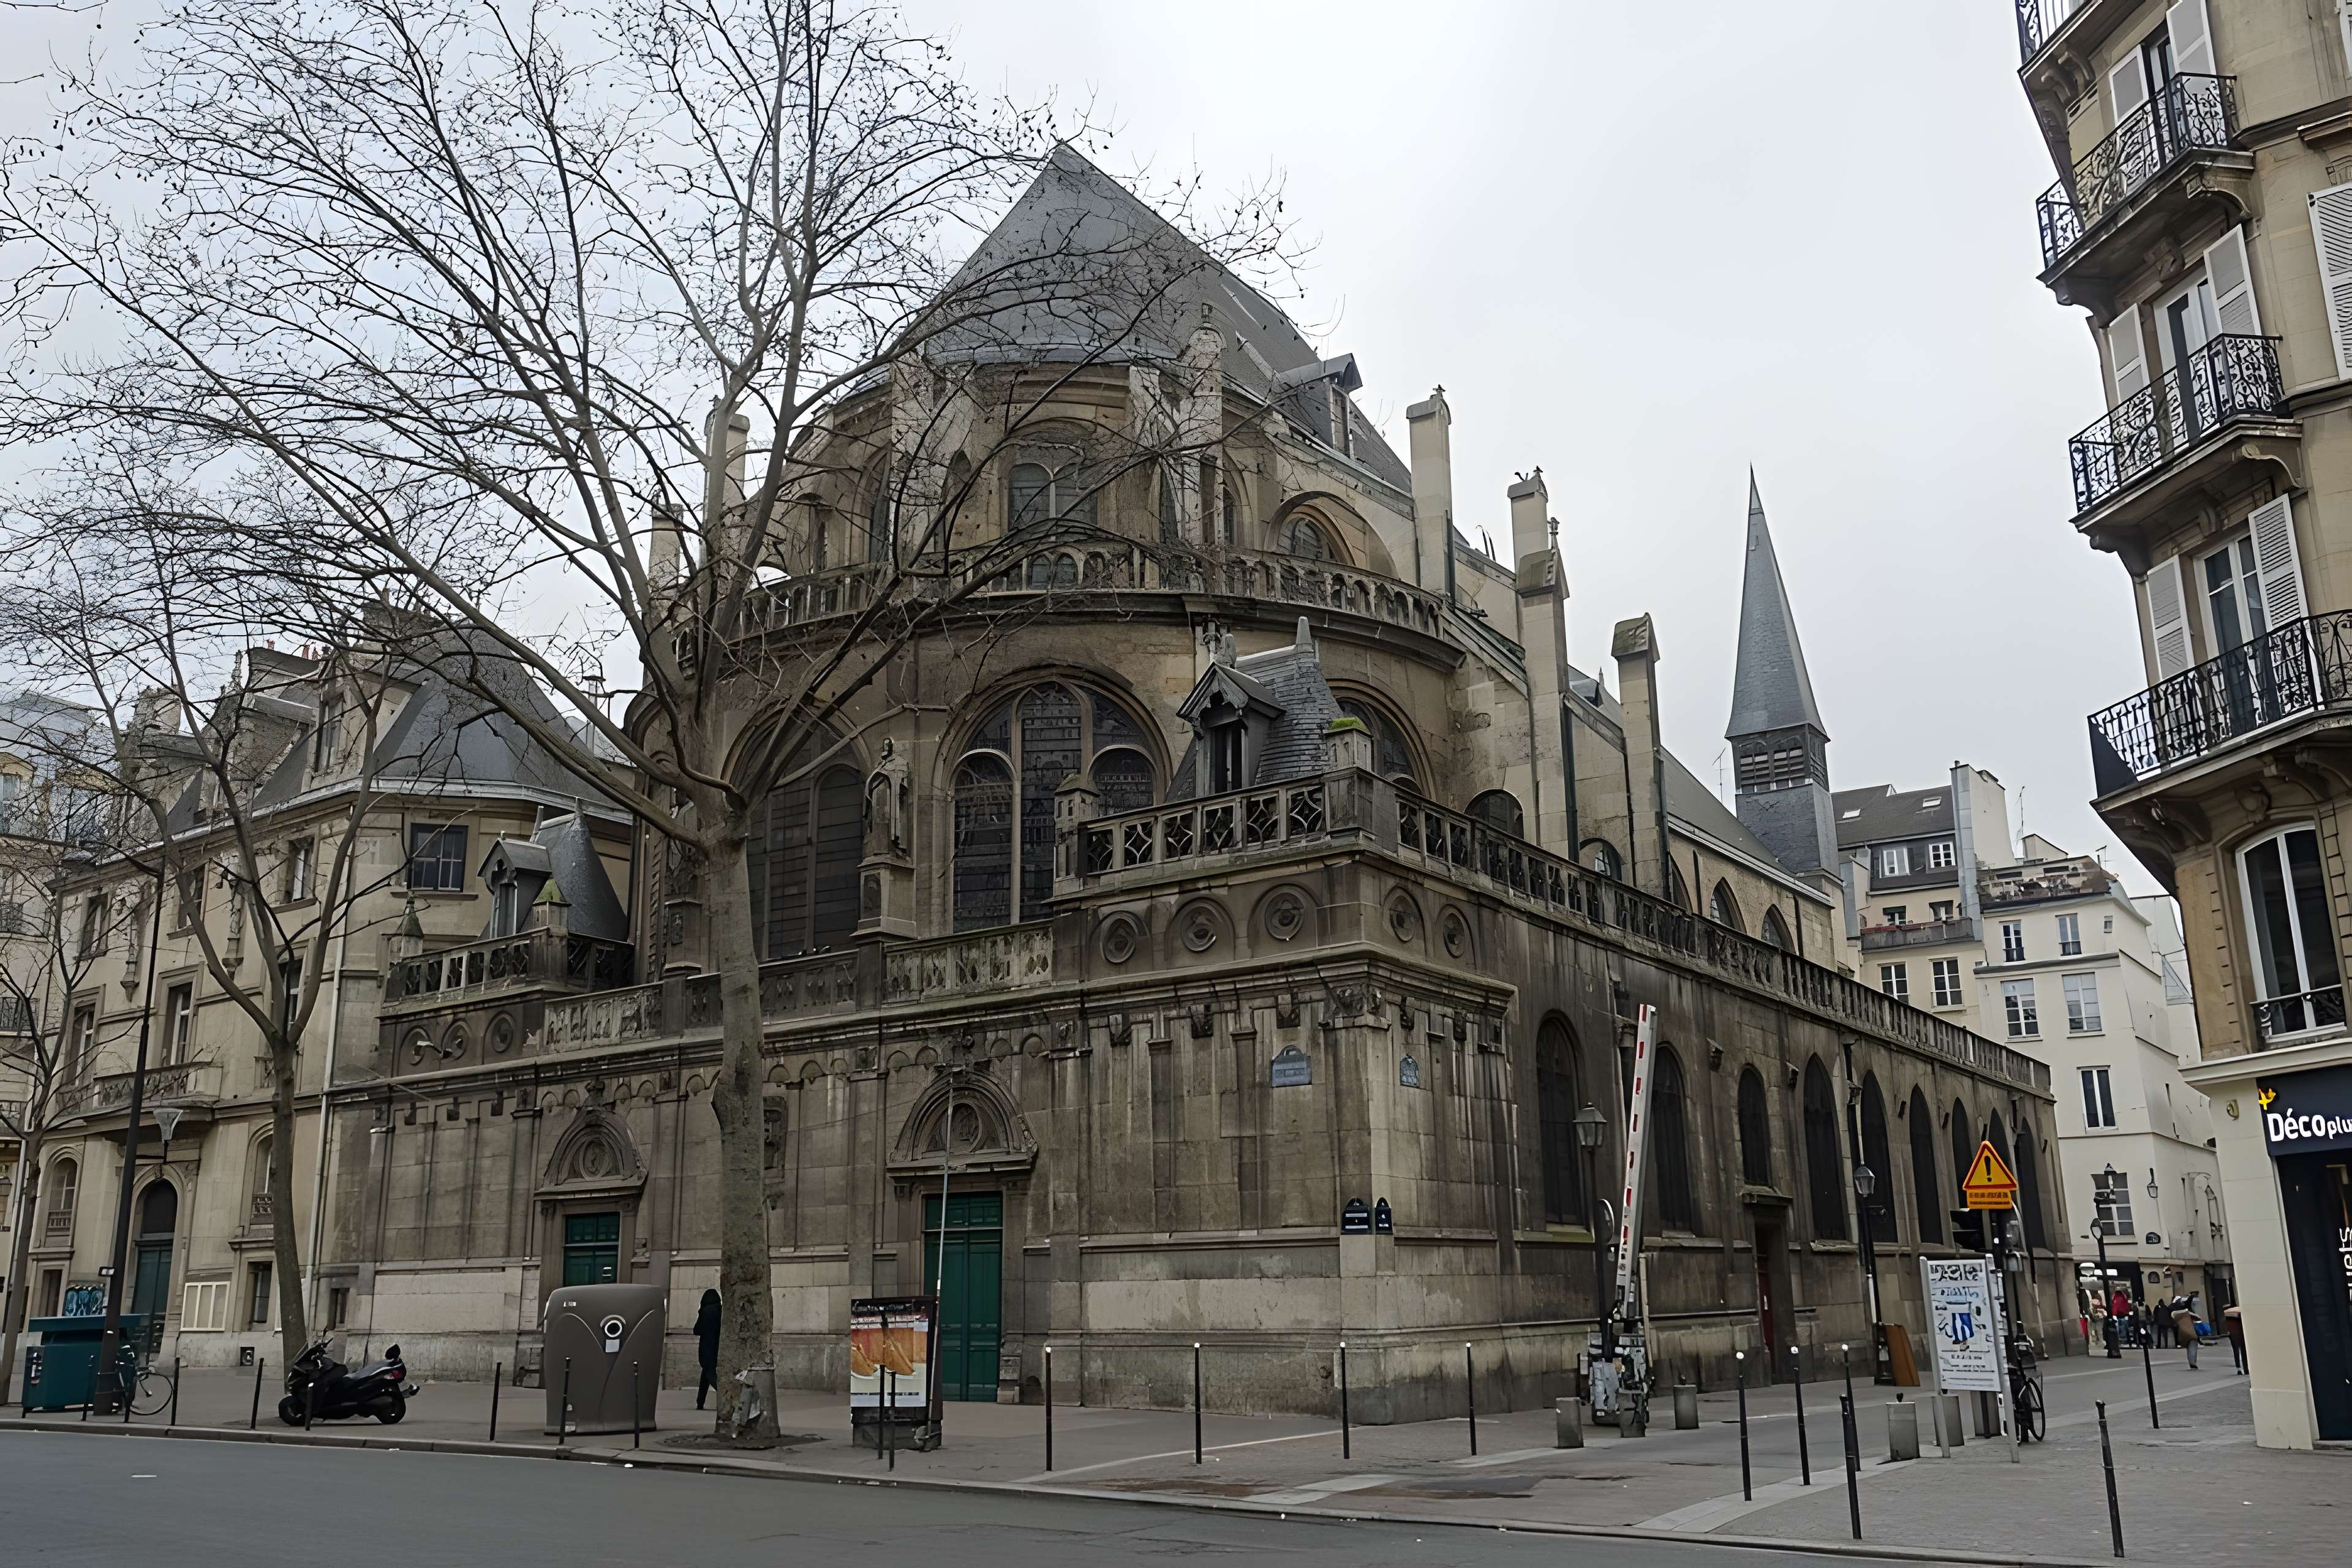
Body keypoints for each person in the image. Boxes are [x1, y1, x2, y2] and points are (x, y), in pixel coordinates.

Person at [694, 1289, 722, 1411]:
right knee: (706, 1374)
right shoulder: (721, 1310)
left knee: (709, 1373)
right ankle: (700, 1402)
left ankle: (725, 1395)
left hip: (707, 1348)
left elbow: (697, 1330)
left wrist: (700, 1313)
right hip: (718, 1347)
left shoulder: (705, 1312)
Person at [2171, 1298, 2200, 1368]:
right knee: (2193, 1347)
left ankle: (2191, 1362)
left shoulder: (2175, 1314)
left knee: (2189, 1348)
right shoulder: (2188, 1313)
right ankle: (2193, 1363)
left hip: (2182, 1335)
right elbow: (2198, 1318)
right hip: (2191, 1334)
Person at [2224, 1305, 2247, 1374]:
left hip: (2233, 1335)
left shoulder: (2228, 1316)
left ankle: (2239, 1368)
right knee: (2243, 1351)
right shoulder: (2239, 1316)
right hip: (2241, 1334)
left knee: (2236, 1351)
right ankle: (2246, 1369)